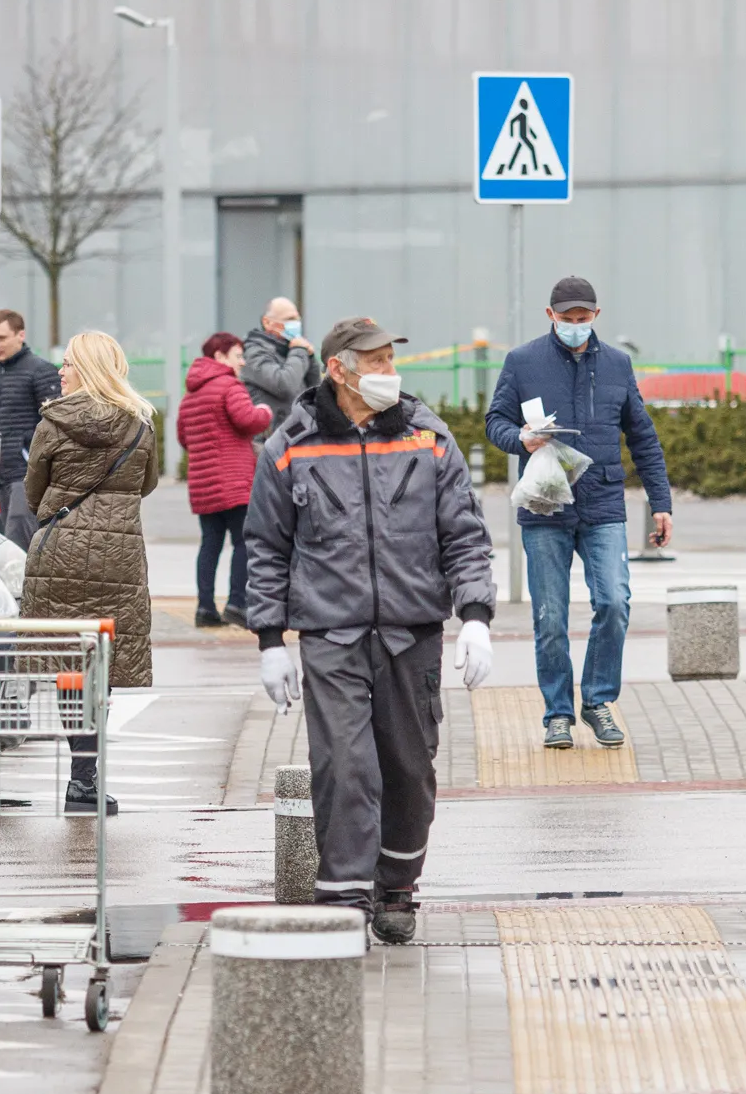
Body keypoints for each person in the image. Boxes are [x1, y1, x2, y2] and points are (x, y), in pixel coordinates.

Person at [246, 317, 495, 944]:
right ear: (339, 369)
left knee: (409, 766)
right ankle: (347, 896)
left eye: (390, 358)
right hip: (330, 633)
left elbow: (463, 534)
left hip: (412, 631)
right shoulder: (292, 444)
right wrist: (271, 641)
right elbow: (266, 548)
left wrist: (476, 618)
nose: (389, 371)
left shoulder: (427, 437)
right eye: (377, 360)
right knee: (345, 766)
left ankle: (398, 889)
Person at [486, 276, 673, 750]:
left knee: (613, 602)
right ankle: (558, 713)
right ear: (550, 316)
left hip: (604, 502)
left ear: (596, 315)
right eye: (566, 319)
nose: (575, 326)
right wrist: (520, 440)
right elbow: (495, 422)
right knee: (550, 617)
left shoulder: (616, 364)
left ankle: (597, 700)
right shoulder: (522, 361)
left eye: (582, 319)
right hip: (545, 504)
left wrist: (661, 504)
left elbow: (644, 438)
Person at [19, 331, 161, 814]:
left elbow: (33, 491)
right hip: (117, 558)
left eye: (69, 364)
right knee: (102, 663)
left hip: (60, 552)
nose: (61, 371)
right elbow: (147, 484)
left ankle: (80, 779)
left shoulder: (52, 423)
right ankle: (87, 779)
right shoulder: (141, 424)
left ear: (89, 369)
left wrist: (62, 515)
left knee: (70, 669)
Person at [180, 331, 271, 628]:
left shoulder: (191, 393)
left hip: (203, 484)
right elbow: (248, 420)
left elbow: (184, 436)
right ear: (220, 356)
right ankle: (237, 603)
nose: (242, 362)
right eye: (238, 355)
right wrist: (264, 412)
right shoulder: (229, 386)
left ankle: (205, 607)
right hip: (234, 482)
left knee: (210, 544)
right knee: (244, 542)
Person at [0, 308, 60, 547]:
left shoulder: (41, 371)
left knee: (18, 539)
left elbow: (56, 423)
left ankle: (24, 585)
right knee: (7, 539)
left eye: (1, 338)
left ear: (20, 335)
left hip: (27, 473)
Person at [241, 296, 322, 440]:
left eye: (297, 319)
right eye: (290, 319)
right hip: (269, 442)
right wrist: (298, 350)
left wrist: (309, 356)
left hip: (297, 436)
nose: (296, 324)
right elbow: (284, 384)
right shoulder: (253, 352)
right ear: (267, 322)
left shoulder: (290, 350)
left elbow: (315, 389)